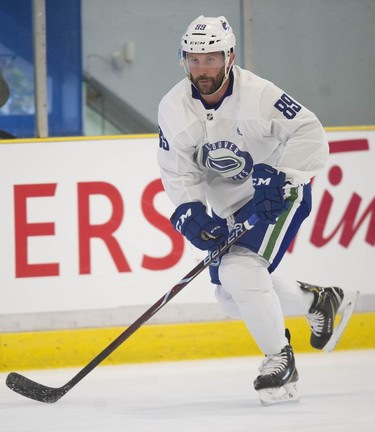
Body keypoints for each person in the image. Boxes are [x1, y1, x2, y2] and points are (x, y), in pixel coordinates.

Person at [157, 15, 358, 406]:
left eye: (211, 59)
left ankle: (279, 359)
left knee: (239, 269)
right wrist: (188, 210)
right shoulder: (173, 106)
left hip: (280, 193)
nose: (202, 69)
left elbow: (309, 130)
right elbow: (176, 168)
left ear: (229, 57)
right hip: (230, 205)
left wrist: (283, 176)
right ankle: (318, 300)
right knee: (231, 297)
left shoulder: (259, 95)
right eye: (194, 60)